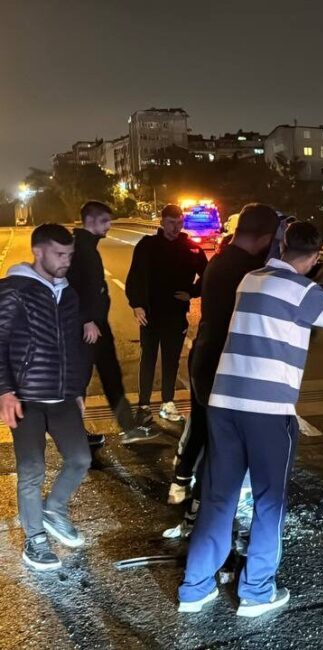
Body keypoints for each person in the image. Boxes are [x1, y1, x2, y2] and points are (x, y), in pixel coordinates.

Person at [178, 221, 323, 617]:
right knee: (269, 502)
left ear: (282, 244)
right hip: (268, 414)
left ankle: (194, 589)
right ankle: (256, 592)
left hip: (225, 405)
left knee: (218, 498)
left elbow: (288, 302)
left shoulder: (251, 279)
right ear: (314, 258)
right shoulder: (303, 291)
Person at [168, 204, 281, 511]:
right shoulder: (248, 272)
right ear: (266, 238)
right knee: (220, 444)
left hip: (204, 355)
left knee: (203, 425)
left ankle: (181, 482)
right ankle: (200, 514)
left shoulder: (221, 260)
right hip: (223, 366)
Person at [0, 224, 92, 571]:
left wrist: (78, 388)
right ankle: (35, 539)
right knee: (32, 468)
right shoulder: (13, 291)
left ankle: (54, 508)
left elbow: (74, 346)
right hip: (24, 397)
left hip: (63, 396)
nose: (66, 261)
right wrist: (5, 391)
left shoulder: (68, 294)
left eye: (69, 254)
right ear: (38, 252)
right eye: (59, 254)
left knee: (81, 459)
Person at [69, 201, 151, 445]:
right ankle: (74, 436)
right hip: (87, 329)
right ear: (91, 221)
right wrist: (88, 321)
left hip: (97, 326)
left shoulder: (87, 246)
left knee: (110, 375)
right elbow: (74, 290)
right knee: (80, 381)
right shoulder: (80, 249)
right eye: (105, 221)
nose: (109, 226)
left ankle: (128, 427)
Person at [125, 204, 208, 426]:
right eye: (171, 222)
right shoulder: (147, 246)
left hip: (176, 314)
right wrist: (137, 305)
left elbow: (207, 276)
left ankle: (167, 402)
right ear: (161, 222)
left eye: (179, 222)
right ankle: (143, 406)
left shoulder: (191, 248)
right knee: (148, 359)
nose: (175, 227)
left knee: (171, 360)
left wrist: (191, 293)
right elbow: (134, 278)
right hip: (150, 314)